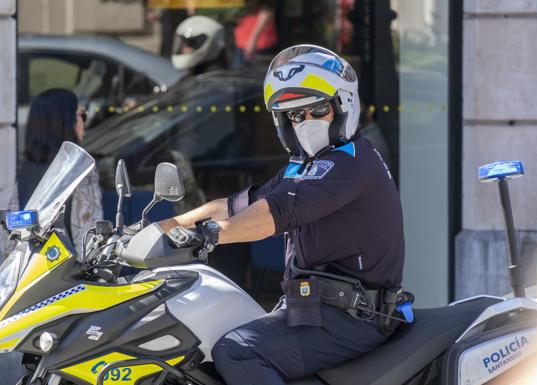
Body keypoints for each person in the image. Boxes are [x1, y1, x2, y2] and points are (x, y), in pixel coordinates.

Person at [158, 45, 405, 385]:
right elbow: (237, 205)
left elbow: (275, 214)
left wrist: (210, 234)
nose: (306, 123)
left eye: (317, 110)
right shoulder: (305, 167)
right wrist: (162, 228)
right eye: (295, 115)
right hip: (313, 310)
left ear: (343, 105)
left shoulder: (348, 163)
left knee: (238, 350)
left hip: (350, 318)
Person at [0, 88, 103, 255]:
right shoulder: (80, 170)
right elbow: (88, 237)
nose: (83, 121)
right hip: (66, 274)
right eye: (80, 114)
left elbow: (8, 243)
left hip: (30, 272)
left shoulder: (26, 170)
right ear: (66, 122)